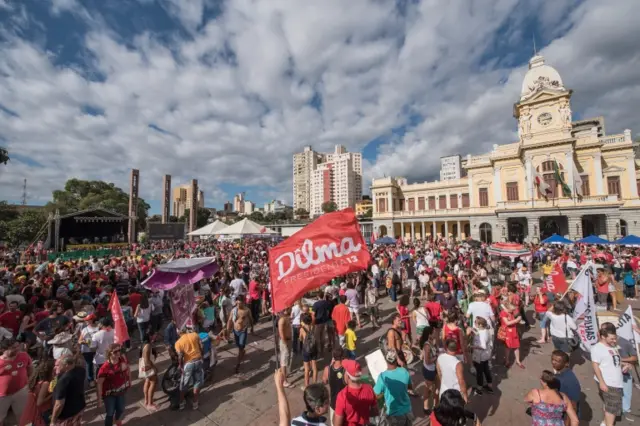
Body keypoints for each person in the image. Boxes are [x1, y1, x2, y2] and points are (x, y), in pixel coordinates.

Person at [591, 322, 623, 426]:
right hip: (609, 383)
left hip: (616, 382)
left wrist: (624, 365)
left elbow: (614, 361)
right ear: (603, 337)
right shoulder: (597, 348)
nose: (615, 340)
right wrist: (602, 382)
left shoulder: (613, 346)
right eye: (612, 338)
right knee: (612, 409)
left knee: (609, 406)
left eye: (615, 338)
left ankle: (604, 423)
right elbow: (595, 366)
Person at [374, 349, 413, 425]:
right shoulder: (404, 371)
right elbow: (410, 387)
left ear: (386, 360)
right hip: (407, 411)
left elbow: (375, 394)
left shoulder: (382, 377)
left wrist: (383, 393)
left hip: (394, 414)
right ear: (396, 360)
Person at [332, 359, 378, 426]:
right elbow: (375, 412)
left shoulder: (342, 396)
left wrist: (335, 412)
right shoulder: (369, 388)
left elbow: (337, 424)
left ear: (347, 376)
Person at [0, 338, 33, 425]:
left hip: (21, 391)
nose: (17, 349)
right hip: (2, 395)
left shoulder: (24, 356)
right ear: (3, 349)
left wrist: (28, 382)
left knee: (24, 416)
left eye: (17, 346)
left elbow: (30, 369)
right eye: (13, 348)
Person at [96, 344, 131, 426]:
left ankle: (117, 420)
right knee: (110, 412)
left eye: (120, 350)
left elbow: (128, 369)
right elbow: (99, 383)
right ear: (109, 353)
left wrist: (130, 380)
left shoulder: (122, 359)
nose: (118, 353)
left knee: (121, 409)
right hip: (109, 394)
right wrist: (99, 400)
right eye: (115, 352)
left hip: (121, 390)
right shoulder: (104, 368)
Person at [50, 356, 86, 426]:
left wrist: (53, 421)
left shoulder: (63, 380)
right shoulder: (81, 370)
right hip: (79, 407)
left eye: (58, 365)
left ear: (66, 365)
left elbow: (59, 404)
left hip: (66, 415)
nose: (55, 367)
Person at [174, 324, 204, 410]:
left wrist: (180, 366)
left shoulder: (178, 343)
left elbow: (180, 356)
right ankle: (195, 403)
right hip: (198, 361)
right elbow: (201, 346)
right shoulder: (195, 334)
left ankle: (181, 403)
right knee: (197, 382)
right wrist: (201, 356)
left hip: (188, 364)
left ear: (178, 332)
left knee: (184, 385)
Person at [551, 350, 581, 416]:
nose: (553, 362)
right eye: (552, 359)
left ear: (566, 364)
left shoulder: (570, 381)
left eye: (557, 361)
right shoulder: (559, 373)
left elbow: (573, 406)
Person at [437, 339, 468, 403]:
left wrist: (443, 381)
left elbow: (439, 372)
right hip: (454, 394)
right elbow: (461, 381)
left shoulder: (440, 357)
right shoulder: (457, 363)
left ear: (446, 348)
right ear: (456, 349)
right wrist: (465, 395)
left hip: (443, 391)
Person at [227, 296, 252, 374]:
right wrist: (228, 331)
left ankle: (238, 364)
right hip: (235, 331)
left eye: (240, 303)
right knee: (238, 345)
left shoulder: (247, 310)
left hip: (243, 331)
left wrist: (252, 328)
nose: (238, 304)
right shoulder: (233, 310)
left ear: (243, 302)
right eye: (237, 302)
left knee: (240, 347)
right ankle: (242, 351)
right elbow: (230, 320)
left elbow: (251, 319)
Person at [322, 347, 346, 425]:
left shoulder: (327, 369)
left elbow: (324, 381)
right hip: (344, 403)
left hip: (333, 403)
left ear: (333, 356)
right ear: (343, 356)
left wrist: (330, 364)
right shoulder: (345, 370)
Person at [469, 317, 493, 395]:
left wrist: (473, 347)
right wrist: (474, 331)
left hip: (480, 356)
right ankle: (489, 386)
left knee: (479, 372)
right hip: (486, 355)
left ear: (480, 324)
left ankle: (479, 388)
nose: (474, 323)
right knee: (486, 370)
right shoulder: (485, 330)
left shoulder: (482, 334)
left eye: (476, 322)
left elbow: (483, 346)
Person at [616, 335, 637, 421]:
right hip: (611, 373)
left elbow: (634, 357)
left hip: (625, 372)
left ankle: (626, 410)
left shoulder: (625, 342)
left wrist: (622, 360)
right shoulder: (601, 344)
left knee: (626, 392)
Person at [419, 326, 438, 415]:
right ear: (430, 334)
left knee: (431, 389)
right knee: (431, 389)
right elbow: (427, 361)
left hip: (432, 369)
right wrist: (436, 357)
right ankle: (428, 407)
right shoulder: (427, 346)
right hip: (429, 370)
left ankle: (429, 407)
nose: (436, 333)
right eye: (434, 332)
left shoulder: (431, 342)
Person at [499, 302, 524, 369]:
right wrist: (516, 320)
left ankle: (518, 361)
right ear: (507, 308)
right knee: (508, 347)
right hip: (507, 332)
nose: (512, 311)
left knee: (516, 346)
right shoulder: (503, 313)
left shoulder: (510, 311)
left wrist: (519, 317)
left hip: (514, 331)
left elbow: (517, 313)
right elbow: (507, 323)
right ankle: (507, 361)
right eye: (511, 310)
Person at [77, 313, 99, 384]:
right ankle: (91, 380)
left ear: (92, 320)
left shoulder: (99, 327)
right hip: (87, 350)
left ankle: (99, 378)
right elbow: (79, 341)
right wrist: (86, 342)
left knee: (98, 363)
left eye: (88, 320)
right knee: (89, 364)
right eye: (86, 320)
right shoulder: (84, 330)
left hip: (97, 349)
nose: (86, 321)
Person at [139, 333, 158, 411]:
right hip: (148, 367)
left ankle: (146, 400)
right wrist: (154, 367)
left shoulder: (144, 344)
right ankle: (150, 403)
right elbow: (147, 359)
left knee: (147, 382)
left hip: (144, 367)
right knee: (153, 383)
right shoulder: (148, 346)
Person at [300, 312, 318, 389]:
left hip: (306, 350)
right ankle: (315, 384)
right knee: (314, 368)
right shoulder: (314, 327)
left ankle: (307, 386)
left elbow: (300, 338)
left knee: (307, 369)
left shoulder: (302, 329)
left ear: (303, 321)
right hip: (314, 348)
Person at [278, 308, 293, 388]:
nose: (290, 309)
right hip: (285, 342)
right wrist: (285, 342)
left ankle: (284, 375)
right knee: (284, 361)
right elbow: (281, 333)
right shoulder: (282, 320)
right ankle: (284, 381)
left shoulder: (286, 318)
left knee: (285, 360)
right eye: (287, 309)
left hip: (288, 341)